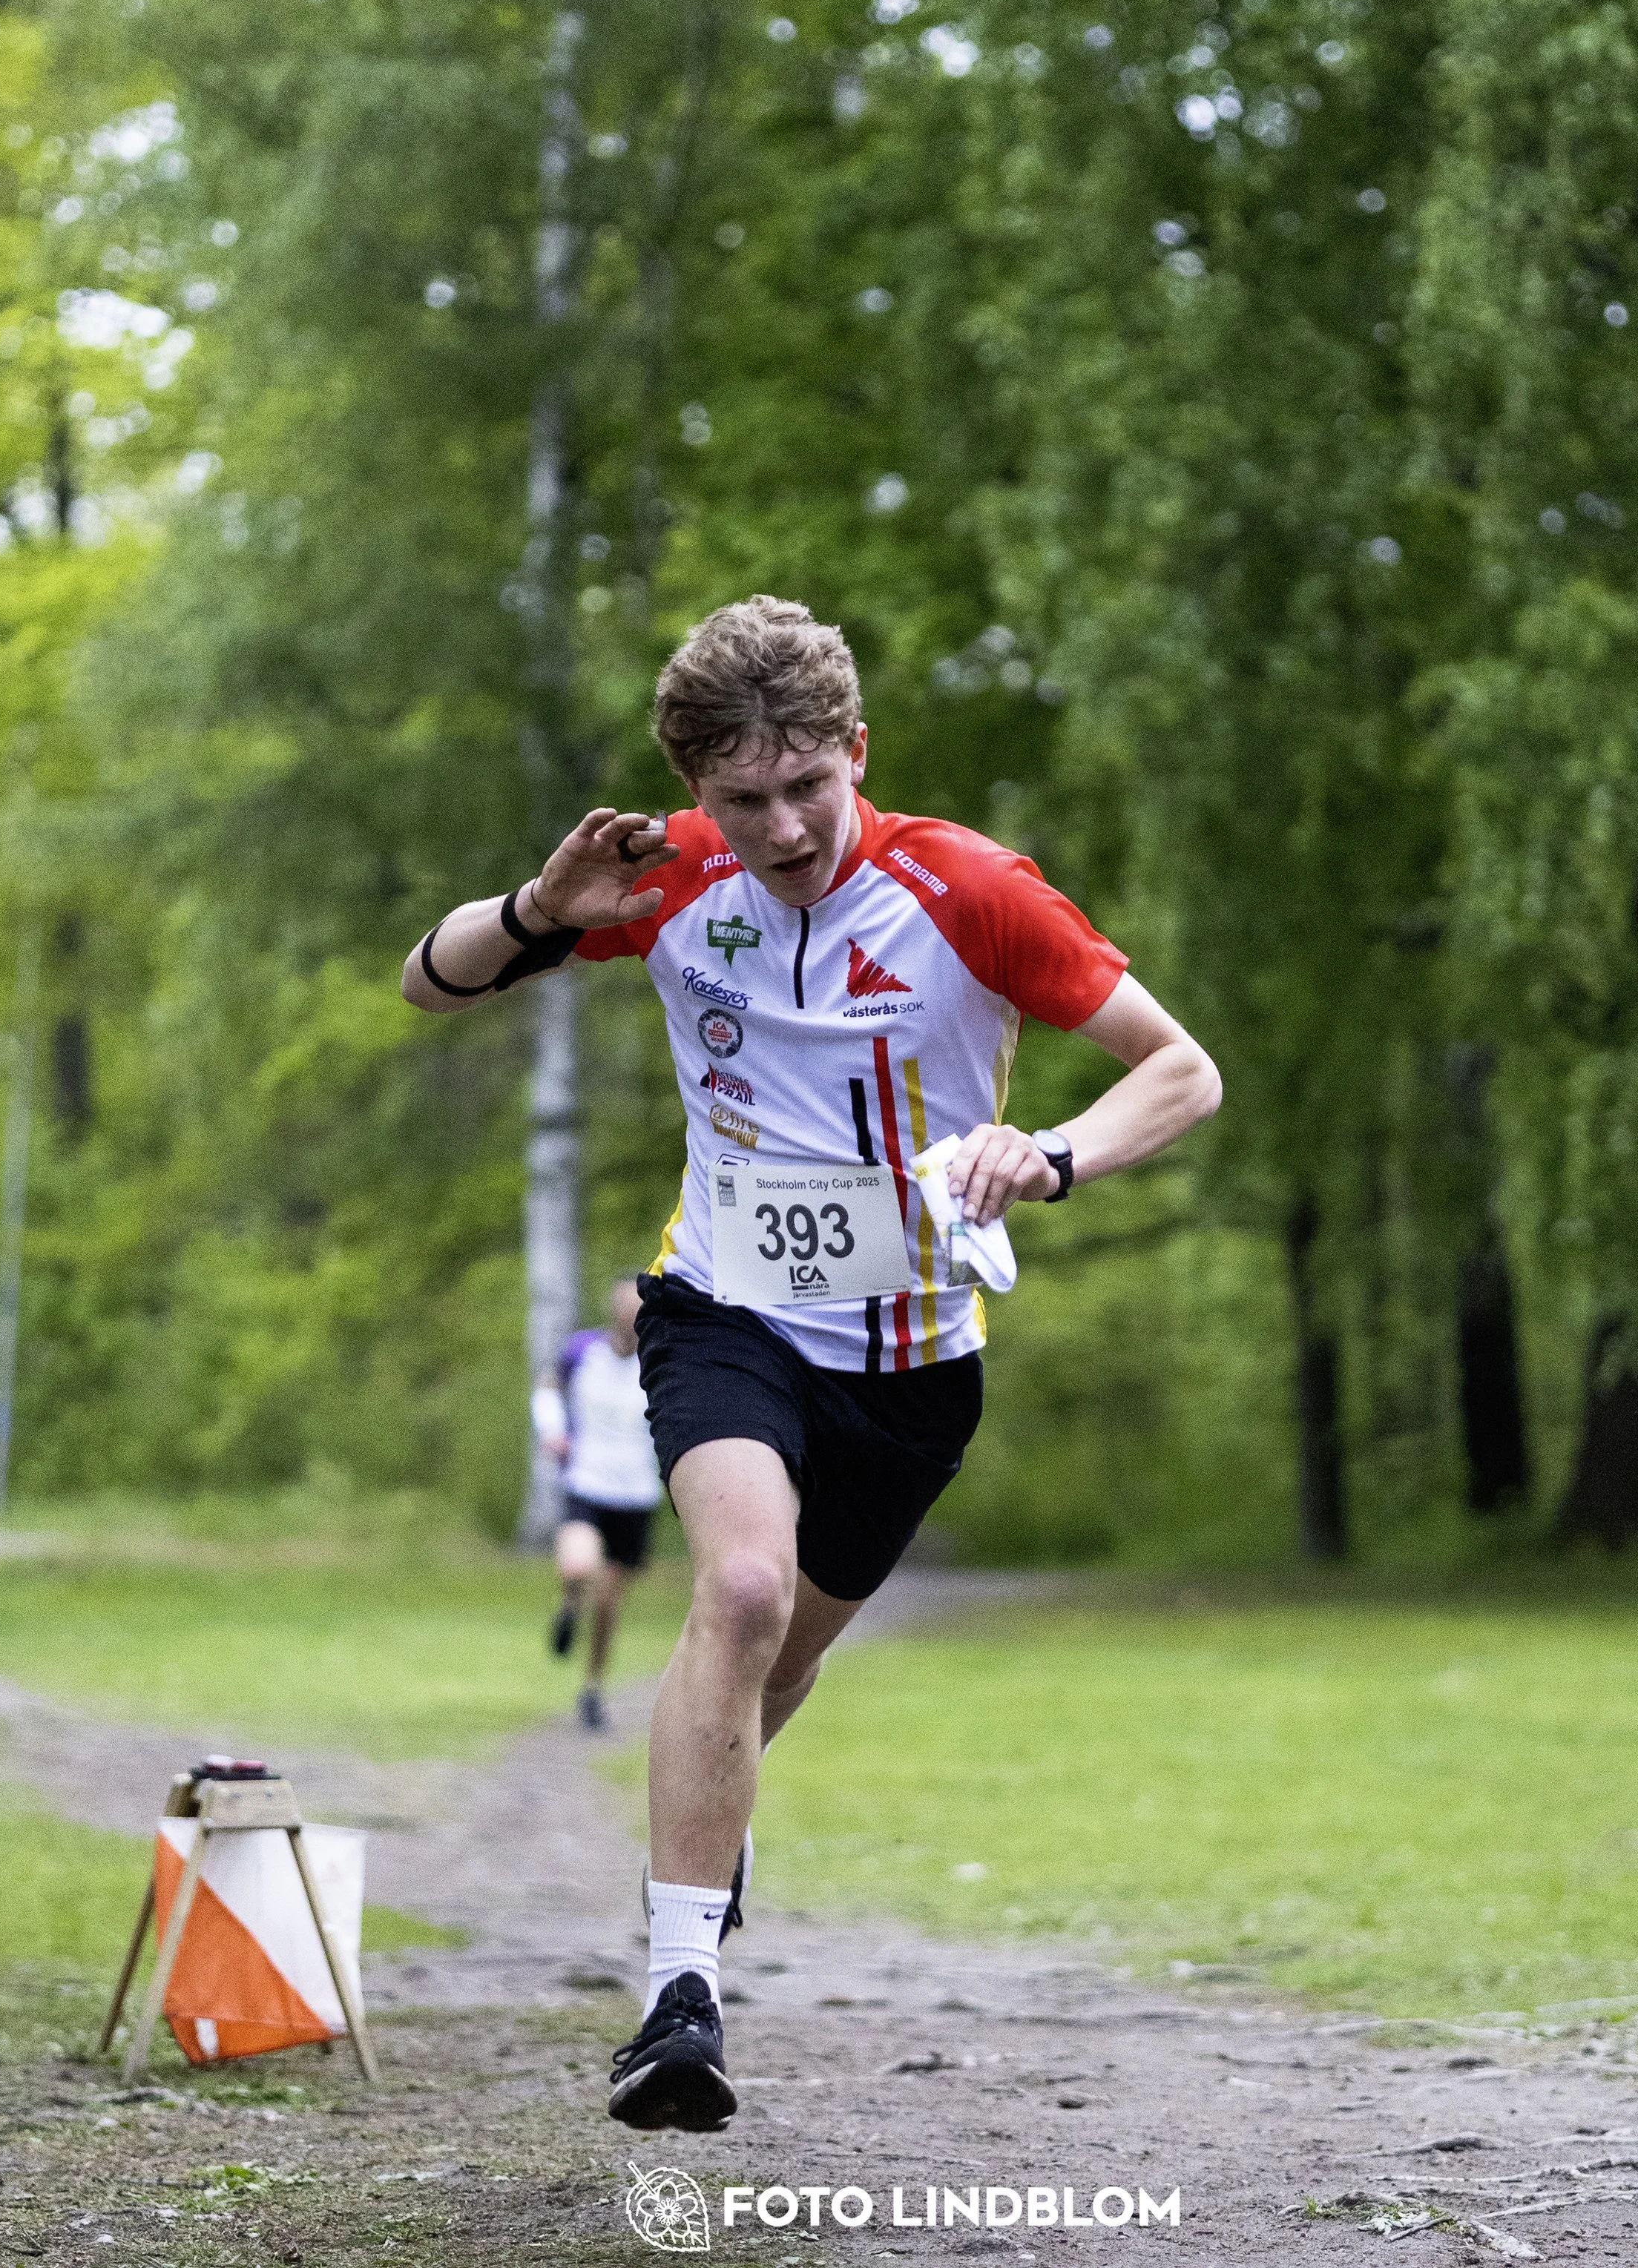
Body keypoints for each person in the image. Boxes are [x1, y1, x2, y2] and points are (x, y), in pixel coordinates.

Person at [402, 596, 1222, 2134]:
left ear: (858, 752)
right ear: (695, 790)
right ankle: (676, 1996)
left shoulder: (964, 886)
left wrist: (1045, 1154)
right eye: (741, 798)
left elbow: (1180, 1069)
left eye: (806, 788)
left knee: (774, 1667)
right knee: (743, 1590)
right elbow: (427, 982)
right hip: (724, 1308)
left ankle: (703, 1850)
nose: (778, 826)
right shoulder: (666, 872)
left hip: (914, 1359)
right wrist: (538, 905)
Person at [532, 1275, 662, 1733]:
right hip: (586, 1483)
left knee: (609, 1605)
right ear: (612, 1310)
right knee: (577, 1568)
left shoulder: (659, 1360)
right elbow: (547, 1387)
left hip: (636, 1495)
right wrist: (552, 1432)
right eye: (623, 1308)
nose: (629, 1318)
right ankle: (569, 1608)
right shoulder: (583, 1351)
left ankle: (592, 1690)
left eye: (637, 1310)